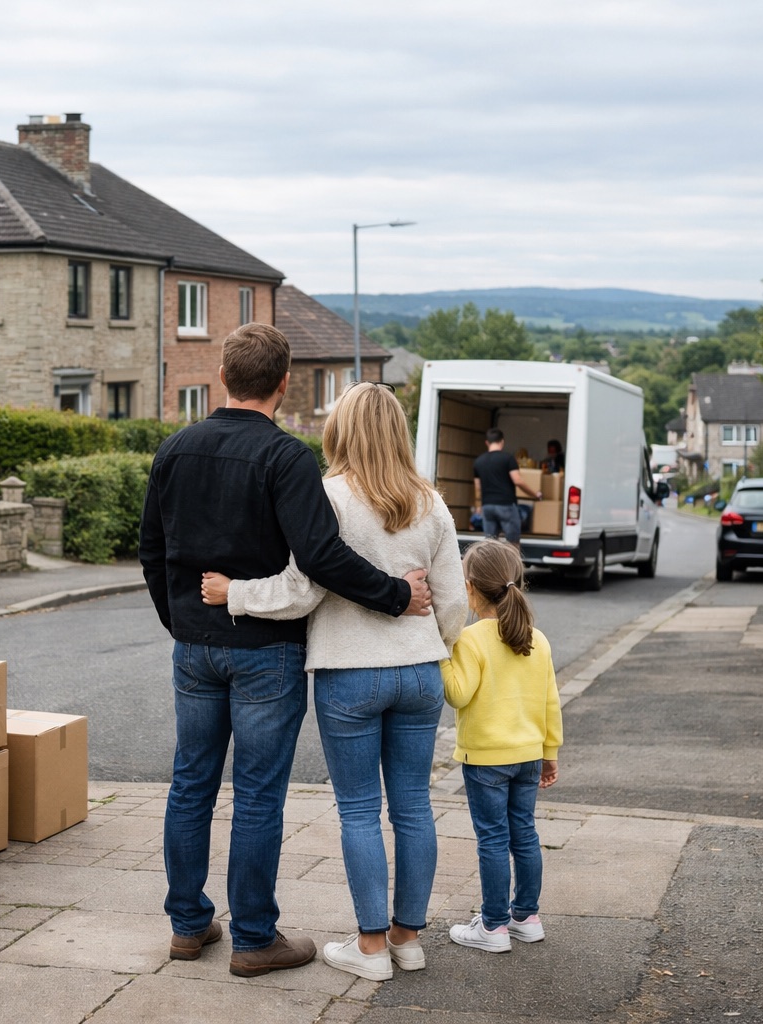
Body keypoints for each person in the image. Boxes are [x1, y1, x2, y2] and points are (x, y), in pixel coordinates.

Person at [139, 324, 433, 979]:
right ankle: (253, 939)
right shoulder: (288, 459)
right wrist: (393, 596)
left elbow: (151, 551)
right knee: (257, 795)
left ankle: (188, 926)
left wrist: (180, 621)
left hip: (195, 645)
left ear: (221, 374)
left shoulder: (175, 449)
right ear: (282, 383)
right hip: (266, 652)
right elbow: (324, 558)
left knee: (191, 784)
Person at [200, 381, 467, 982]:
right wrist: (430, 647)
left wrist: (234, 593)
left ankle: (370, 948)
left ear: (340, 430)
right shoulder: (431, 502)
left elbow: (302, 591)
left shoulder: (329, 497)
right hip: (420, 673)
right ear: (398, 431)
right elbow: (452, 604)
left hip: (350, 673)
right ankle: (408, 939)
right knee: (415, 808)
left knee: (358, 812)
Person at [442, 540, 563, 954]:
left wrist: (442, 651)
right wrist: (550, 754)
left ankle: (492, 926)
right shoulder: (538, 639)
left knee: (492, 839)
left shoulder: (470, 639)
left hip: (486, 760)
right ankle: (526, 917)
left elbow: (458, 694)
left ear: (471, 587)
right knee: (524, 834)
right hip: (529, 755)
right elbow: (550, 702)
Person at [473, 429, 542, 548]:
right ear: (502, 442)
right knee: (513, 543)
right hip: (506, 506)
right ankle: (514, 566)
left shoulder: (478, 462)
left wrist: (478, 505)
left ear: (487, 443)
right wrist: (534, 494)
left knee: (490, 543)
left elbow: (478, 487)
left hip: (487, 506)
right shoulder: (508, 458)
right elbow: (517, 480)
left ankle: (490, 566)